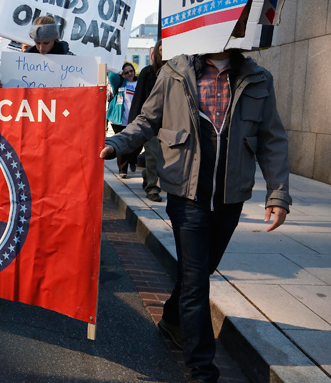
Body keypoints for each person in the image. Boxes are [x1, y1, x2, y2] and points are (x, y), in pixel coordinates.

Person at [99, 47, 291, 382]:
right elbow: (147, 120)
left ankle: (172, 318)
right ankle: (202, 369)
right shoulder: (175, 71)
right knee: (197, 279)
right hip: (186, 195)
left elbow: (271, 138)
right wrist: (118, 143)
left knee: (200, 272)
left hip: (231, 198)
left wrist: (278, 193)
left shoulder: (259, 78)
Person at [128, 40, 164, 202]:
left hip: (172, 123)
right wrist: (133, 123)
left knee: (165, 158)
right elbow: (139, 97)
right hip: (151, 122)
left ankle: (147, 174)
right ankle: (152, 187)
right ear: (157, 52)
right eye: (162, 50)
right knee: (153, 155)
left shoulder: (178, 72)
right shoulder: (148, 72)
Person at [106, 61, 139, 178]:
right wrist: (118, 64)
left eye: (131, 71)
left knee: (137, 144)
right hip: (119, 120)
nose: (130, 73)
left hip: (135, 120)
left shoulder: (139, 83)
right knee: (121, 144)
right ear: (122, 74)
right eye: (126, 72)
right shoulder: (119, 83)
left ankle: (133, 158)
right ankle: (122, 169)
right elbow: (111, 75)